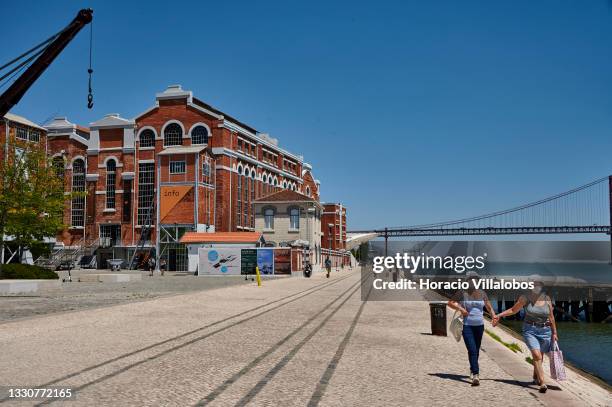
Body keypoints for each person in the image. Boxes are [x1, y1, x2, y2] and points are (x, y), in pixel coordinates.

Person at [493, 280, 558, 393]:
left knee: (540, 357)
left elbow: (551, 317)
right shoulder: (525, 298)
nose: (536, 288)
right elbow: (513, 310)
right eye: (533, 286)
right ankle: (542, 383)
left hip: (545, 331)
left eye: (538, 286)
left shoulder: (546, 298)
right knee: (536, 355)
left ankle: (535, 377)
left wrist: (554, 333)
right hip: (530, 330)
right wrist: (498, 315)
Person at [447, 272, 496, 386]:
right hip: (467, 325)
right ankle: (476, 374)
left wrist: (494, 316)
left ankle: (472, 368)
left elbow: (488, 306)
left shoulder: (482, 293)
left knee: (476, 350)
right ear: (467, 280)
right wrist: (461, 309)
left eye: (475, 279)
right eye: (471, 279)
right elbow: (450, 303)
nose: (473, 281)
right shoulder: (462, 293)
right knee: (472, 349)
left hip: (479, 325)